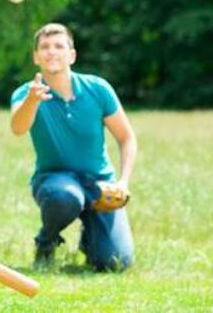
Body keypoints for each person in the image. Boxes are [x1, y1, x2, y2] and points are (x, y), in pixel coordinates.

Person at [10, 23, 137, 271]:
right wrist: (32, 102)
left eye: (59, 46)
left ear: (72, 55)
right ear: (36, 57)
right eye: (44, 47)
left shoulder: (98, 89)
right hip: (55, 181)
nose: (52, 51)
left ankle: (91, 241)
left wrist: (122, 182)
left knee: (115, 263)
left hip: (100, 185)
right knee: (66, 198)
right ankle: (46, 241)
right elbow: (18, 127)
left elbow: (127, 138)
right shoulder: (27, 93)